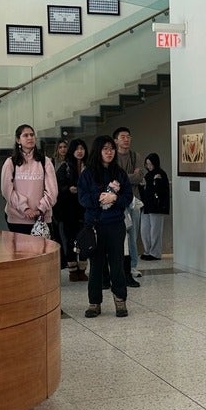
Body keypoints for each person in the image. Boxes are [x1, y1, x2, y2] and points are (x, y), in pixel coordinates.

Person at [78, 135, 131, 318]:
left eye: (111, 149)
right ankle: (94, 303)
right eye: (105, 149)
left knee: (117, 264)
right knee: (96, 267)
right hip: (95, 225)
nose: (109, 152)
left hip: (115, 225)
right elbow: (82, 198)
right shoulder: (88, 173)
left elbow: (128, 198)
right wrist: (99, 197)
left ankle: (120, 301)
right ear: (98, 151)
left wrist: (115, 198)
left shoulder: (120, 173)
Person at [0, 124, 56, 236]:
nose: (30, 138)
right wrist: (25, 209)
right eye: (25, 135)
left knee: (41, 252)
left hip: (42, 219)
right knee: (21, 253)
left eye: (32, 135)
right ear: (18, 140)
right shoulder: (10, 162)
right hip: (17, 219)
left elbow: (52, 191)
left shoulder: (45, 161)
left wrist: (40, 210)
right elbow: (7, 191)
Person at [55, 138, 88, 281]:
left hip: (86, 210)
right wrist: (68, 189)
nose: (79, 152)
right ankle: (73, 270)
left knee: (86, 240)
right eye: (76, 149)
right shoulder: (65, 167)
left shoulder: (90, 167)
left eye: (82, 148)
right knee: (70, 240)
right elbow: (57, 187)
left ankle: (83, 268)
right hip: (69, 210)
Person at [113, 126, 143, 279]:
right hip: (118, 201)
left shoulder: (135, 156)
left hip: (134, 201)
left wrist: (125, 177)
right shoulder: (113, 156)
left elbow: (139, 178)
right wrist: (129, 177)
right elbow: (115, 179)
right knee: (119, 235)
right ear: (116, 140)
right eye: (122, 137)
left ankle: (133, 266)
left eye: (128, 136)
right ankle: (119, 266)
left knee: (133, 235)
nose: (126, 139)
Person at [139, 152, 169, 261]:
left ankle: (155, 253)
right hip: (146, 206)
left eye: (151, 164)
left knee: (155, 231)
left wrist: (156, 181)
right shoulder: (147, 175)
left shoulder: (161, 174)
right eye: (147, 164)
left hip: (157, 206)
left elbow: (162, 190)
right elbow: (144, 190)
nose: (149, 166)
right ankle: (147, 250)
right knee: (145, 230)